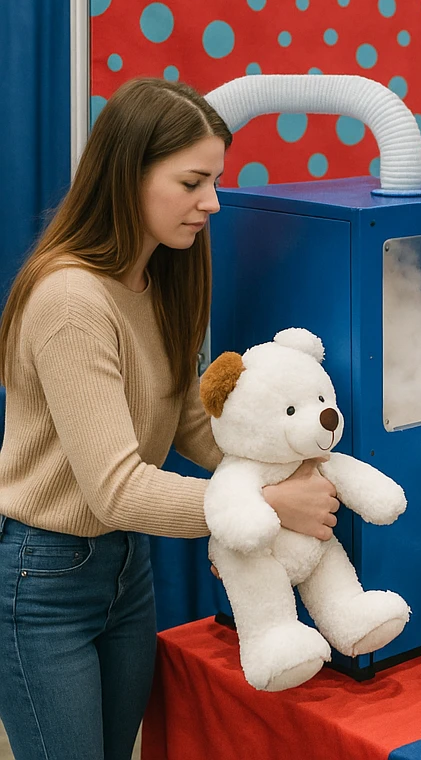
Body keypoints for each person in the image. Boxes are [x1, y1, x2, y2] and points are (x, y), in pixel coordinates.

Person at [0, 79, 340, 760]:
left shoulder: (158, 277)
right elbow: (116, 487)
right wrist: (268, 505)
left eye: (214, 180)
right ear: (129, 175)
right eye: (192, 182)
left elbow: (188, 418)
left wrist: (288, 460)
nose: (211, 203)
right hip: (48, 575)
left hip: (129, 566)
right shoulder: (71, 301)